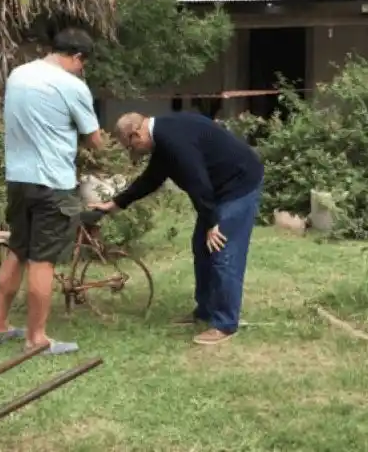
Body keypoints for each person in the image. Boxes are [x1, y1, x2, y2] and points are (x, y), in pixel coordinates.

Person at [90, 112, 264, 346]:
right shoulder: (163, 138)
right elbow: (151, 178)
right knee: (202, 247)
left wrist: (212, 223)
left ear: (136, 134)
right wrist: (117, 203)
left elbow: (197, 180)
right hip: (218, 191)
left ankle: (225, 324)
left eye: (130, 146)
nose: (133, 152)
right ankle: (205, 310)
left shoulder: (171, 140)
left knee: (223, 252)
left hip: (238, 186)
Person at [0, 27, 102, 355]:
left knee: (17, 250)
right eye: (83, 64)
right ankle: (36, 339)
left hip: (18, 179)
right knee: (43, 261)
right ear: (77, 57)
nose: (82, 70)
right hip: (52, 184)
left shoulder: (18, 74)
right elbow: (95, 140)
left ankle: (0, 326)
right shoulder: (72, 85)